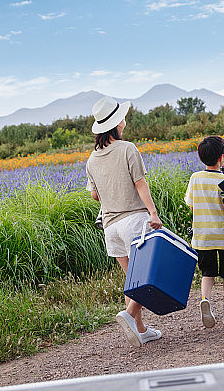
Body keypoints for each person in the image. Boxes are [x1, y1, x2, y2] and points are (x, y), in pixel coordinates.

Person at [85, 96, 164, 347]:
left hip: (111, 228)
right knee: (149, 274)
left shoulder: (91, 159)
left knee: (132, 280)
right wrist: (153, 212)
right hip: (134, 220)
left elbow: (96, 195)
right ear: (117, 123)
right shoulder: (128, 148)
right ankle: (129, 316)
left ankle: (141, 329)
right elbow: (140, 184)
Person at [185, 136, 224, 328]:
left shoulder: (195, 178)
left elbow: (191, 205)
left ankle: (205, 299)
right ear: (222, 158)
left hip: (202, 237)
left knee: (207, 272)